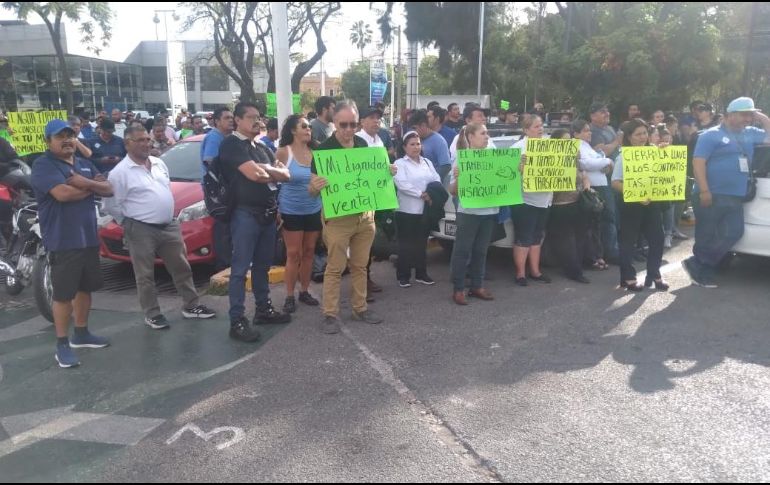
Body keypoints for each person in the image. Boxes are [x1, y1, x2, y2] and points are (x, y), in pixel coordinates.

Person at [103, 126, 216, 329]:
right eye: (140, 140)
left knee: (181, 267)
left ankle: (191, 305)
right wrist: (127, 223)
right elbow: (111, 204)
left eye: (147, 139)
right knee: (145, 275)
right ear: (128, 144)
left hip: (169, 225)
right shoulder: (120, 173)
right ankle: (152, 313)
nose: (147, 143)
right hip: (141, 229)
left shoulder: (158, 163)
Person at [308, 100, 398, 334]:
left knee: (360, 265)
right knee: (335, 268)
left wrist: (386, 172)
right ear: (335, 123)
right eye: (343, 124)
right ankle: (330, 313)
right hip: (338, 219)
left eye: (353, 124)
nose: (348, 130)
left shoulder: (362, 145)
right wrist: (315, 187)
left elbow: (372, 179)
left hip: (364, 216)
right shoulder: (324, 151)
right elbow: (311, 190)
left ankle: (360, 307)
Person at [30, 120, 114, 368]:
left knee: (84, 288)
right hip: (63, 240)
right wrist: (93, 188)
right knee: (64, 294)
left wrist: (84, 183)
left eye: (70, 135)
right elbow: (62, 194)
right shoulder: (43, 165)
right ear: (48, 141)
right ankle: (62, 344)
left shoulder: (83, 164)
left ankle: (82, 333)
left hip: (87, 237)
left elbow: (109, 188)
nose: (67, 140)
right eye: (60, 137)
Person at [219, 102, 292, 342]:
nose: (257, 122)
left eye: (258, 117)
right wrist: (269, 170)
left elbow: (286, 175)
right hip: (245, 214)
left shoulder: (261, 146)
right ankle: (237, 320)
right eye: (250, 117)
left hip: (268, 214)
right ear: (237, 121)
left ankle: (263, 309)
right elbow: (255, 175)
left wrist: (265, 168)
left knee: (262, 267)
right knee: (240, 270)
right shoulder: (231, 144)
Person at [683, 97, 770, 288]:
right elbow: (698, 163)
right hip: (710, 194)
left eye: (750, 115)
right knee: (706, 235)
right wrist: (704, 190)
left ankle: (697, 264)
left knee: (734, 232)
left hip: (736, 195)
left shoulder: (750, 133)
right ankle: (702, 273)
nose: (748, 119)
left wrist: (760, 116)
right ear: (730, 115)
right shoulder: (710, 135)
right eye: (744, 115)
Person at [611, 119, 668, 292]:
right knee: (629, 242)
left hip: (652, 203)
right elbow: (615, 182)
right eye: (638, 134)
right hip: (631, 205)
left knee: (657, 238)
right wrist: (636, 194)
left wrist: (666, 154)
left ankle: (655, 274)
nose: (642, 137)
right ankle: (628, 278)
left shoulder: (654, 151)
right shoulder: (624, 155)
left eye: (644, 133)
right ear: (629, 137)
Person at [276, 115, 322, 314]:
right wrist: (276, 210)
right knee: (294, 254)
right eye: (303, 126)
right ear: (293, 130)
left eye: (309, 127)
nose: (308, 129)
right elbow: (273, 182)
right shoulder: (283, 152)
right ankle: (289, 295)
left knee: (310, 251)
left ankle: (304, 291)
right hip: (291, 210)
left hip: (313, 209)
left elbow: (325, 179)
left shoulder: (316, 152)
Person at [448, 122, 497, 305]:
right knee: (462, 251)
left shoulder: (495, 158)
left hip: (489, 211)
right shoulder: (462, 159)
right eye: (483, 133)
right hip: (468, 213)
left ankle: (477, 285)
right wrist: (460, 178)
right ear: (470, 137)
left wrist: (518, 169)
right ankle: (458, 289)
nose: (486, 137)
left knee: (481, 251)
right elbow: (452, 191)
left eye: (487, 133)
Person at [393, 131, 441, 287]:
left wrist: (430, 194)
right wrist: (421, 194)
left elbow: (436, 179)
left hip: (424, 211)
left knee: (421, 244)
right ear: (405, 147)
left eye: (418, 143)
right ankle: (403, 275)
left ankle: (421, 273)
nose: (416, 147)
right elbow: (402, 184)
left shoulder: (427, 162)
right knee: (405, 245)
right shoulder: (400, 163)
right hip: (406, 211)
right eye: (412, 144)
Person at [546, 128, 592, 283]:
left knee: (579, 237)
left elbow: (584, 174)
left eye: (570, 140)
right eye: (565, 140)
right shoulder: (548, 159)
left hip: (578, 202)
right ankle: (574, 271)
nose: (569, 143)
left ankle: (577, 266)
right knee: (566, 240)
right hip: (560, 205)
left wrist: (586, 186)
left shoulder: (574, 156)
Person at [511, 114, 552, 286]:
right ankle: (520, 274)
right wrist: (519, 167)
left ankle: (535, 271)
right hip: (525, 201)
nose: (540, 129)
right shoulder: (518, 148)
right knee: (523, 237)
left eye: (541, 125)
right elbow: (508, 175)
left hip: (545, 199)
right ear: (526, 130)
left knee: (537, 237)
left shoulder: (550, 146)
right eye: (536, 126)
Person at [574, 119, 615, 268]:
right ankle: (597, 255)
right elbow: (585, 163)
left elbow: (600, 163)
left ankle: (602, 253)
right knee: (595, 224)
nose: (589, 132)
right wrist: (607, 161)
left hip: (601, 186)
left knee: (603, 222)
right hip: (593, 188)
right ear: (576, 134)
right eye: (585, 130)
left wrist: (605, 162)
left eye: (588, 130)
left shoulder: (588, 147)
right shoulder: (578, 146)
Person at [201, 107, 234, 272]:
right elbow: (211, 162)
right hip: (216, 192)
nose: (231, 120)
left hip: (226, 190)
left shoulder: (227, 138)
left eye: (232, 117)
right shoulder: (215, 137)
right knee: (222, 227)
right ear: (217, 121)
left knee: (228, 228)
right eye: (227, 117)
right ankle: (223, 265)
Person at [409, 109, 452, 183]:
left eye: (414, 128)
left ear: (423, 125)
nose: (412, 131)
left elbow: (446, 166)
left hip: (431, 188)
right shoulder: (413, 139)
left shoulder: (438, 141)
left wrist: (431, 182)